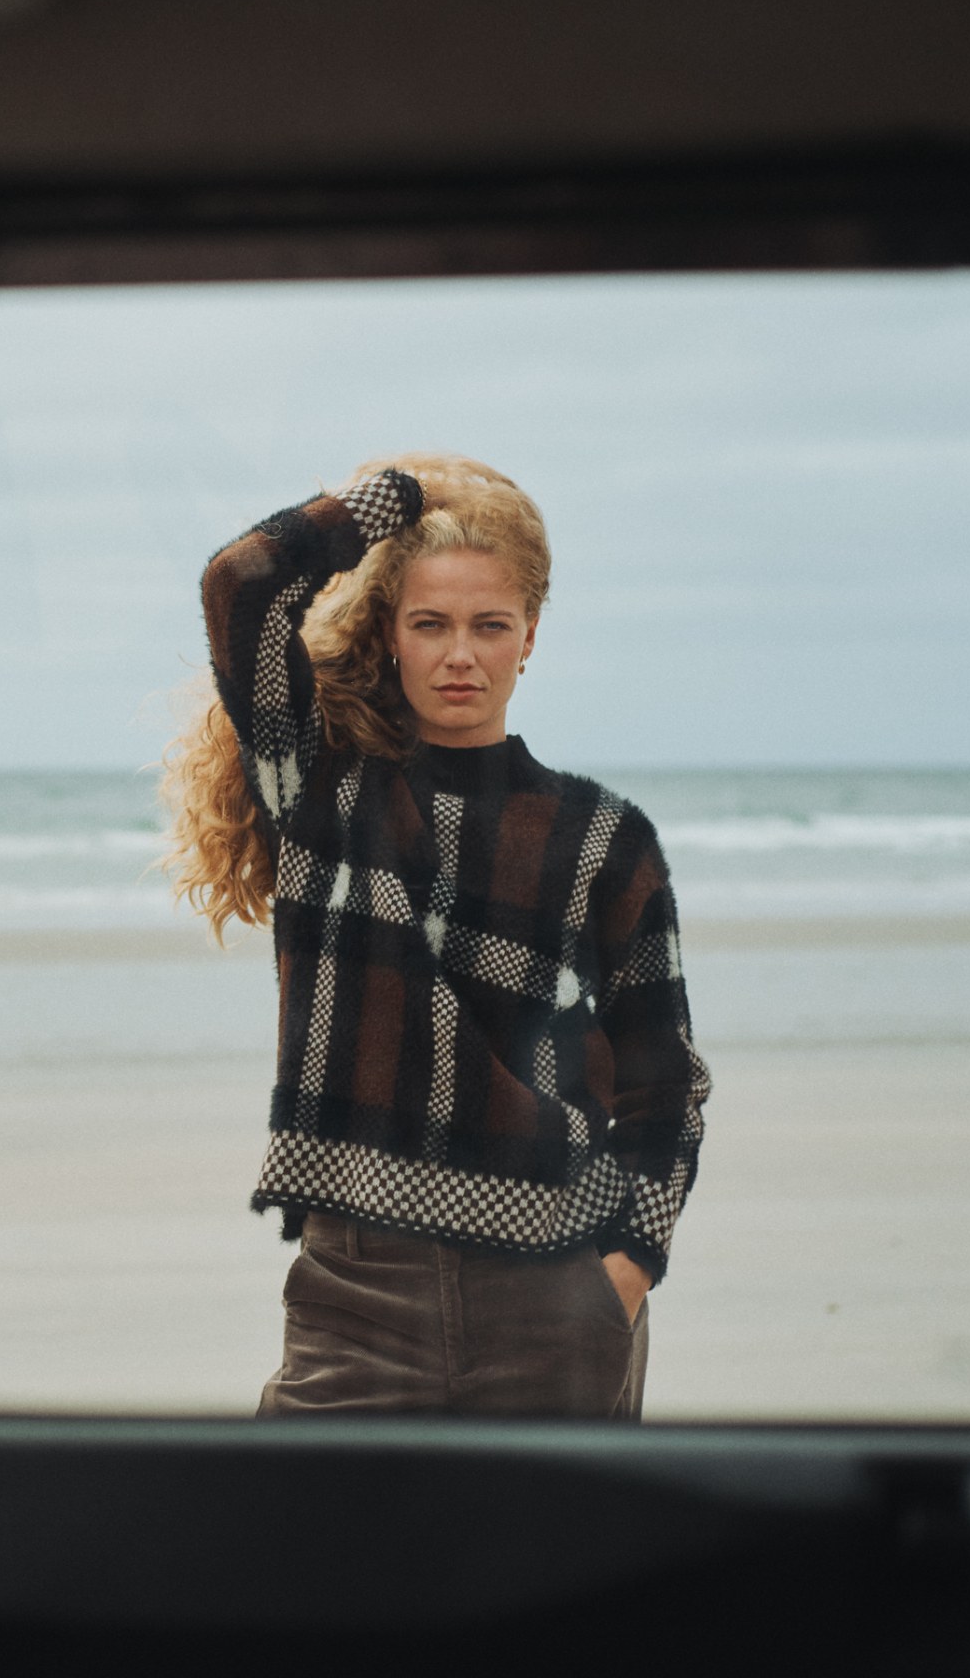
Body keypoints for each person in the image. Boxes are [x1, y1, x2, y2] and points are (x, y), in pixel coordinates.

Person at [163, 454, 708, 1419]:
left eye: (490, 626)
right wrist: (404, 488)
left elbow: (666, 1083)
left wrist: (627, 1267)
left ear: (530, 637)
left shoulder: (604, 841)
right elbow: (242, 583)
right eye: (432, 624)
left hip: (558, 1293)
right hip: (354, 1296)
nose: (462, 654)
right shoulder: (321, 793)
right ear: (392, 634)